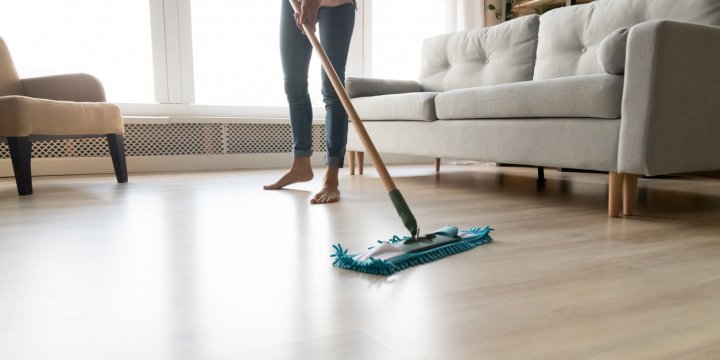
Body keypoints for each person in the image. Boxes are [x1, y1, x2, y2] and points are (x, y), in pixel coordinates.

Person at [263, 0, 356, 204]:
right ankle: (301, 165)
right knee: (293, 83)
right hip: (295, 2)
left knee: (333, 86)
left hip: (338, 4)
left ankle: (331, 176)